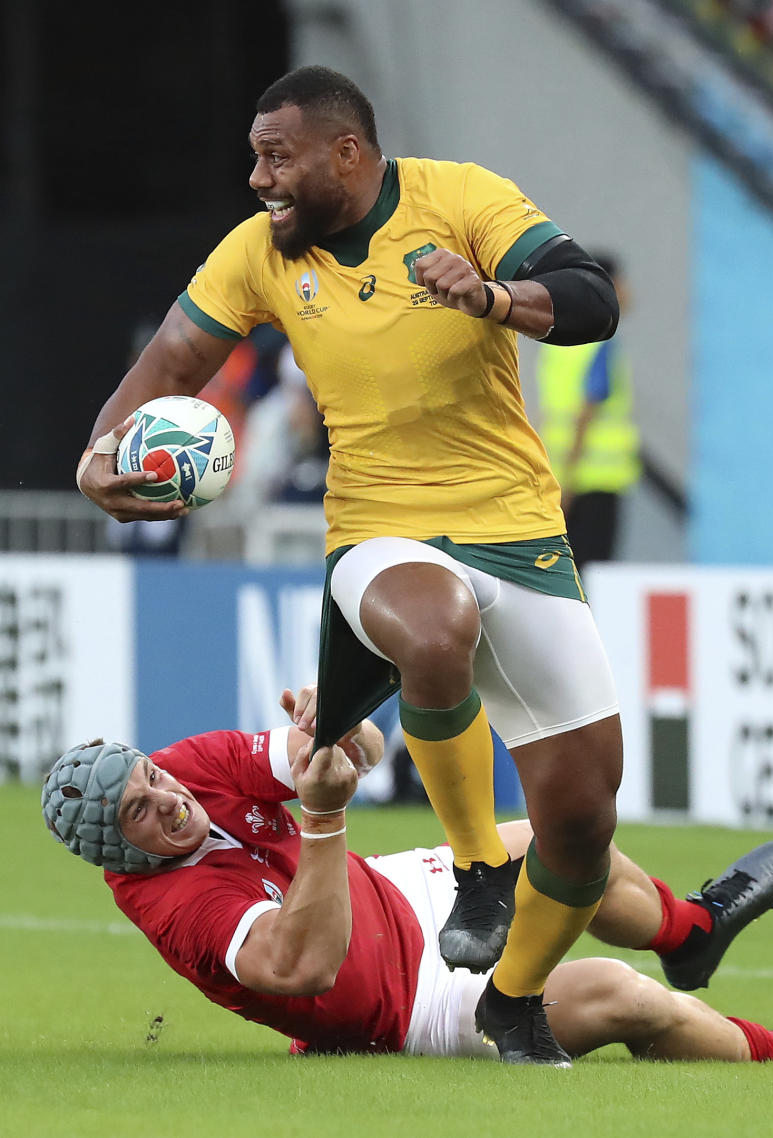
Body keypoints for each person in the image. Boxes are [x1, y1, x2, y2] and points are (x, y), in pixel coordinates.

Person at [74, 64, 647, 1063]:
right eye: (255, 157)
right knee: (433, 630)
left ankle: (511, 1000)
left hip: (518, 524)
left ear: (348, 152)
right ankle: (477, 868)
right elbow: (170, 362)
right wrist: (95, 455)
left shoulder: (460, 197)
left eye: (276, 156)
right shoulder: (258, 253)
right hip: (378, 528)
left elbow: (592, 296)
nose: (258, 178)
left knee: (584, 821)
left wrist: (498, 295)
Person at [40, 685, 773, 1067]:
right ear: (119, 854)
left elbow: (365, 751)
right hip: (401, 1011)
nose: (166, 799)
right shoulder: (171, 906)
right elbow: (305, 966)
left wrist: (340, 730)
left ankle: (691, 934)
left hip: (392, 891)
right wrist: (321, 816)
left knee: (559, 839)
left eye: (150, 778)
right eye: (138, 814)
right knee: (623, 999)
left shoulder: (185, 765)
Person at [535, 253, 641, 567]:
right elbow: (587, 412)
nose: (628, 292)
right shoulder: (601, 339)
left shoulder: (557, 341)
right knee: (594, 572)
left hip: (561, 474)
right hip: (592, 480)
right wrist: (568, 482)